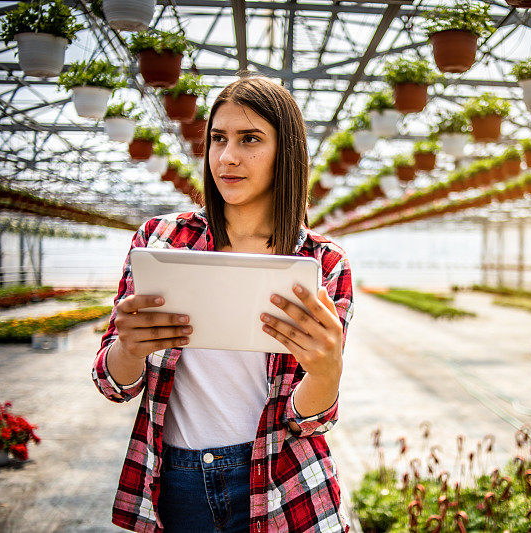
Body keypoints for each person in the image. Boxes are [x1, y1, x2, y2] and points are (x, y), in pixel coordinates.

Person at [91, 76, 354, 533]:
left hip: (282, 481)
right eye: (218, 139)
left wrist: (327, 371)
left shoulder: (321, 263)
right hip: (178, 483)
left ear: (286, 151)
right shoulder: (163, 240)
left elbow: (305, 419)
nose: (227, 156)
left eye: (250, 139)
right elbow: (114, 385)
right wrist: (128, 349)